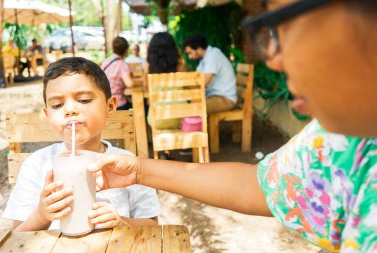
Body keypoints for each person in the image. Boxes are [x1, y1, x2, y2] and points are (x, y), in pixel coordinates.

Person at [87, 1, 377, 252]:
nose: (274, 59)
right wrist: (139, 169)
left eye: (286, 25)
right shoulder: (347, 140)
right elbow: (259, 186)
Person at [3, 57, 160, 232]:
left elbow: (152, 226)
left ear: (110, 106)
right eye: (57, 105)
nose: (69, 110)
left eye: (84, 100)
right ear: (47, 114)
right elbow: (17, 235)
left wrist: (122, 222)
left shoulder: (129, 166)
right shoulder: (36, 165)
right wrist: (42, 214)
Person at [182, 35, 237, 114]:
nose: (189, 57)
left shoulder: (213, 55)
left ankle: (201, 126)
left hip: (225, 99)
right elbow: (196, 78)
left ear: (199, 48)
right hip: (214, 96)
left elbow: (204, 82)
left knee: (193, 107)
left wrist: (186, 86)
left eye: (190, 53)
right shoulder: (204, 59)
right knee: (188, 102)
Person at [146, 32, 186, 131]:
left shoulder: (150, 68)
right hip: (181, 116)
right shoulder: (180, 65)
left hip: (157, 119)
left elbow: (145, 86)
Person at [101, 37, 137, 110]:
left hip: (104, 102)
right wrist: (139, 83)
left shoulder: (106, 61)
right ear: (126, 50)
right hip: (117, 103)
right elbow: (129, 83)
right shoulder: (122, 64)